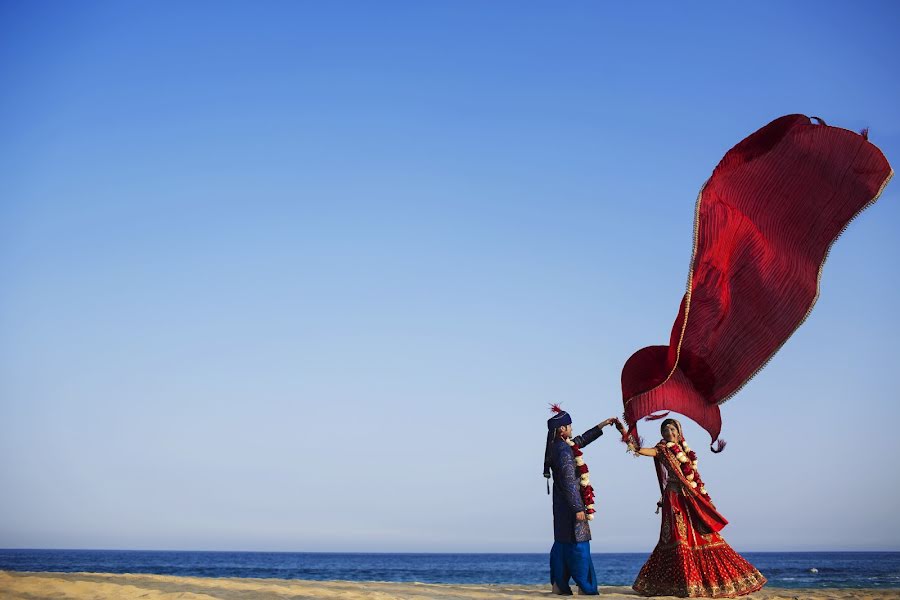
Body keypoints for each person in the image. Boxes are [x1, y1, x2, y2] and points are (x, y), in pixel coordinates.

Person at [617, 417, 766, 597]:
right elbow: (639, 450)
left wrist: (704, 498)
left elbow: (694, 477)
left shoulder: (686, 452)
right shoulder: (662, 449)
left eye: (672, 430)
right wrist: (624, 433)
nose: (668, 433)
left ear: (679, 432)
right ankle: (682, 585)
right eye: (665, 431)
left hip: (691, 498)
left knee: (704, 536)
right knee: (678, 539)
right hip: (674, 499)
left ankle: (703, 583)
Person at [543, 405, 617, 595]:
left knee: (561, 544)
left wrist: (601, 426)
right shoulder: (564, 451)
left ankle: (559, 586)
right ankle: (585, 588)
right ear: (562, 429)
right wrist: (578, 507)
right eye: (569, 426)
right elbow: (569, 481)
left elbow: (581, 440)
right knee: (579, 546)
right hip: (571, 506)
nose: (572, 429)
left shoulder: (559, 446)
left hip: (561, 506)